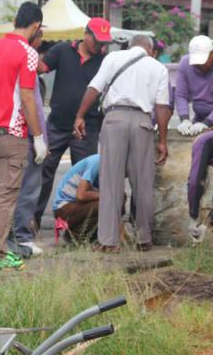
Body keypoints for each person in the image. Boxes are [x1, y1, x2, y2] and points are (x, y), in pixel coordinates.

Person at [74, 35, 171, 252]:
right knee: (143, 182)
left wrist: (80, 115)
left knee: (111, 182)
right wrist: (162, 141)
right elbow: (162, 107)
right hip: (143, 123)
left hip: (115, 120)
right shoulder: (158, 68)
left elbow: (94, 88)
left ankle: (109, 242)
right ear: (151, 50)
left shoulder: (113, 58)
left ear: (129, 46)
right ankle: (144, 239)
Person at [0, 1, 47, 271]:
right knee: (6, 196)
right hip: (12, 132)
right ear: (36, 25)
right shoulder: (27, 53)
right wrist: (38, 136)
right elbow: (28, 96)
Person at [34, 17, 112, 228]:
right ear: (86, 34)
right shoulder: (62, 50)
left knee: (86, 179)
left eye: (104, 42)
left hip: (87, 128)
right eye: (97, 41)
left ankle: (82, 227)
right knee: (43, 172)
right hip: (57, 124)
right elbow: (41, 68)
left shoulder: (105, 61)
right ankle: (32, 221)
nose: (100, 46)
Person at [10, 29, 47, 256]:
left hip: (3, 128)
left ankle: (2, 237)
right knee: (29, 188)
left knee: (3, 189)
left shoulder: (0, 55)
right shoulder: (28, 57)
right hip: (25, 132)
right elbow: (32, 104)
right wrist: (39, 136)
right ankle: (22, 237)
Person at [175, 35, 213, 136]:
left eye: (201, 62)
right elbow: (181, 94)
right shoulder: (185, 63)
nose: (198, 65)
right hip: (199, 117)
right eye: (195, 62)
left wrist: (208, 122)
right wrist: (184, 119)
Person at [53, 154, 100, 243]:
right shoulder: (97, 162)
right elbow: (81, 195)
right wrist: (106, 195)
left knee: (119, 198)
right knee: (105, 203)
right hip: (64, 208)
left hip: (77, 206)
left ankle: (93, 235)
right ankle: (75, 235)